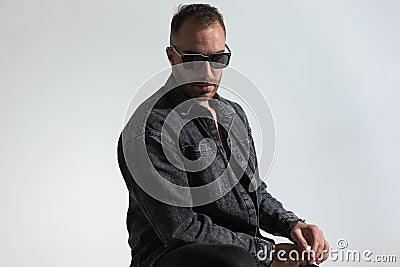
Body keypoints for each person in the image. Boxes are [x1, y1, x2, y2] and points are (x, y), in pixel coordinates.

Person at [117, 3, 329, 267]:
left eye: (217, 59)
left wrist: (293, 225)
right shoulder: (150, 129)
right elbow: (181, 230)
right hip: (173, 257)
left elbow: (252, 193)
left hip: (242, 250)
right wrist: (265, 252)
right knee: (235, 261)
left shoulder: (233, 114)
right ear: (172, 57)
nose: (207, 73)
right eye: (193, 60)